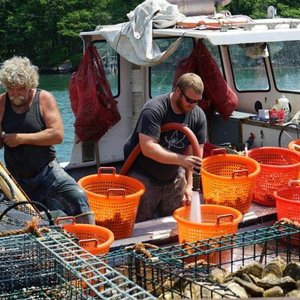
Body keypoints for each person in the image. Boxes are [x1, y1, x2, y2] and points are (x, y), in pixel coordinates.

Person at [0, 56, 94, 224]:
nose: (14, 94)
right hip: (16, 178)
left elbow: (57, 135)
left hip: (48, 172)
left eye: (20, 89)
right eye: (10, 89)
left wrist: (20, 138)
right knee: (21, 220)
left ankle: (89, 237)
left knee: (78, 196)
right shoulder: (2, 102)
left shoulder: (44, 99)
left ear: (30, 85)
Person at [124, 72, 207, 222]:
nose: (193, 105)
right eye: (189, 100)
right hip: (143, 174)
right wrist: (182, 160)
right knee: (139, 224)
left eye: (197, 101)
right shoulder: (154, 109)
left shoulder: (198, 116)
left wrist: (190, 186)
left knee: (173, 222)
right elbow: (148, 148)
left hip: (173, 175)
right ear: (177, 91)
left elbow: (196, 155)